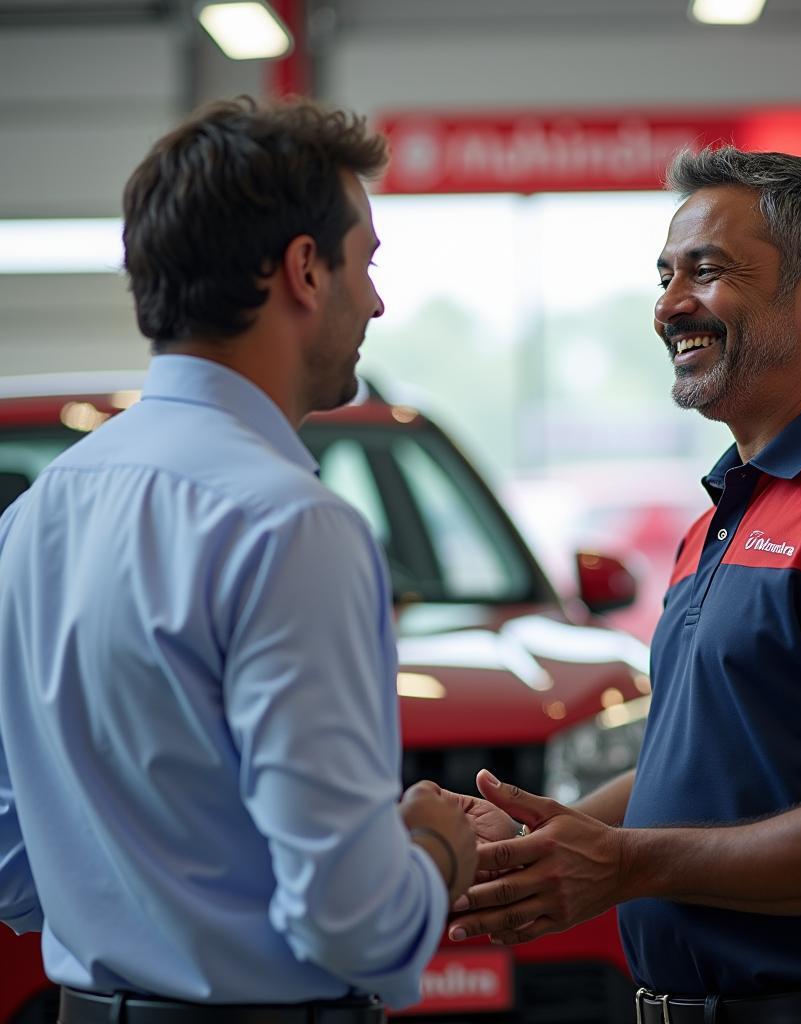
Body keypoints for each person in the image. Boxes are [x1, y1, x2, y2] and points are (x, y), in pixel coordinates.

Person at [445, 147, 801, 1024]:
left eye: (707, 273)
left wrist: (631, 865)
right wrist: (545, 838)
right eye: (667, 275)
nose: (670, 305)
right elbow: (700, 763)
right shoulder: (727, 510)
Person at [0, 97, 477, 1024]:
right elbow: (354, 921)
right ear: (305, 269)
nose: (376, 300)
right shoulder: (289, 525)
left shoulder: (39, 514)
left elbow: (10, 862)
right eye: (365, 263)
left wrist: (141, 906)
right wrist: (434, 846)